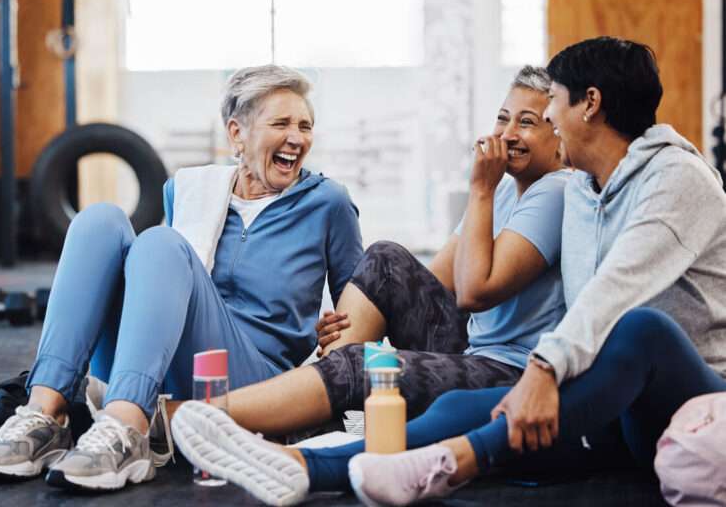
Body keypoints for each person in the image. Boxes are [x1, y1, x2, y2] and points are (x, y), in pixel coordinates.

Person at [172, 37, 726, 507]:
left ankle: (449, 458)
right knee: (456, 402)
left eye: (549, 105)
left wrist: (542, 371)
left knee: (640, 327)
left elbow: (611, 294)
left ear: (590, 104)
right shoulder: (585, 187)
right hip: (607, 397)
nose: (548, 120)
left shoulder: (677, 181)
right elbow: (438, 285)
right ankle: (302, 464)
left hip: (687, 396)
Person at [0, 65, 363, 491]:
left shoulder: (328, 203)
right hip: (165, 365)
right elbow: (171, 292)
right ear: (237, 134)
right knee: (99, 220)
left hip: (256, 380)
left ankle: (127, 428)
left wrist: (336, 334)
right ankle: (45, 414)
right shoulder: (188, 190)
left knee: (160, 243)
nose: (297, 137)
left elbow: (363, 310)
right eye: (281, 123)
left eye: (305, 125)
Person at [168, 65, 570, 440]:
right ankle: (315, 394)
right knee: (386, 258)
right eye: (503, 118)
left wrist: (479, 188)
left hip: (510, 367)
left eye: (528, 123)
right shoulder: (501, 191)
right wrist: (349, 320)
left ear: (559, 138)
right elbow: (432, 284)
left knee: (360, 366)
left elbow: (473, 292)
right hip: (470, 345)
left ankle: (190, 418)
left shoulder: (553, 190)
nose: (508, 133)